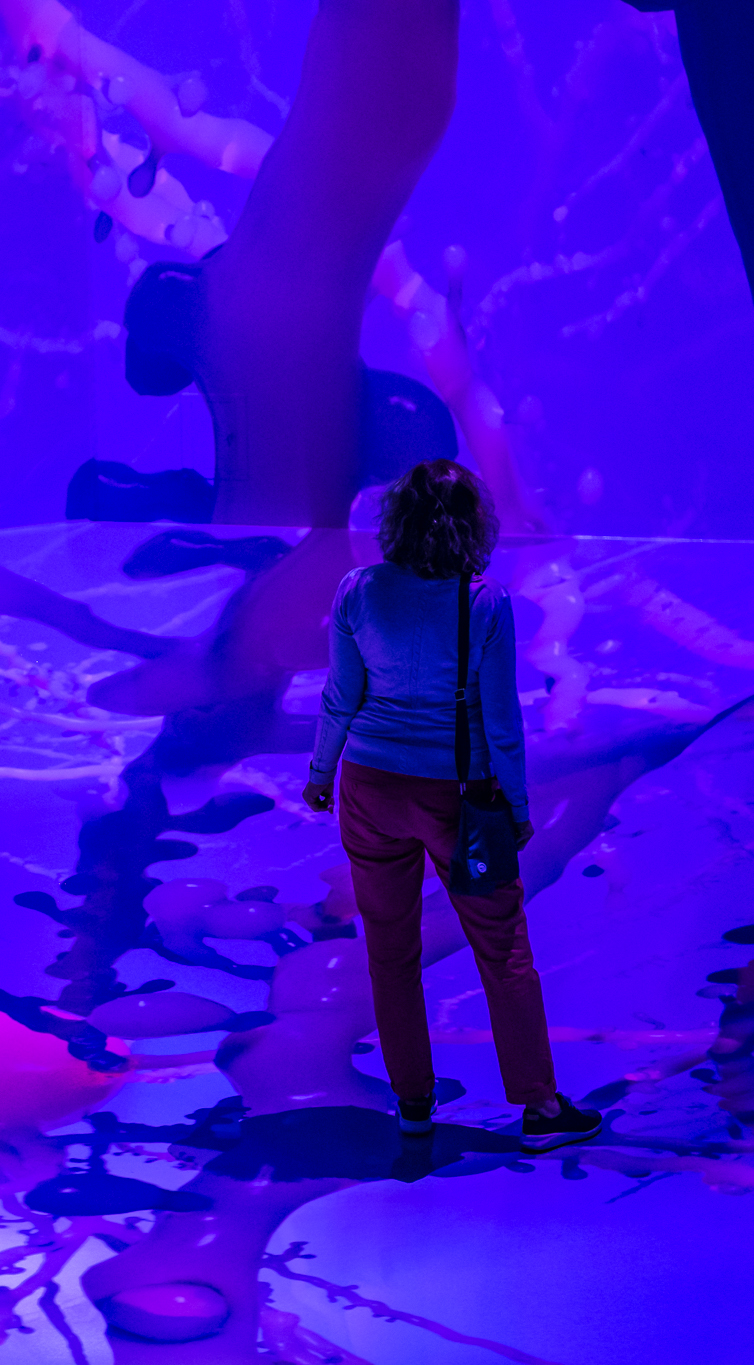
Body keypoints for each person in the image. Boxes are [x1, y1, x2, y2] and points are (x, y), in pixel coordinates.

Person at [301, 459, 600, 1150]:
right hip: (461, 798)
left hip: (368, 788)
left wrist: (321, 771)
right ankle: (540, 1109)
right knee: (503, 950)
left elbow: (342, 696)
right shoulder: (484, 603)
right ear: (474, 524)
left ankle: (413, 1102)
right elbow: (501, 723)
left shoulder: (357, 590)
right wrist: (517, 805)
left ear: (394, 521)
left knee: (390, 951)